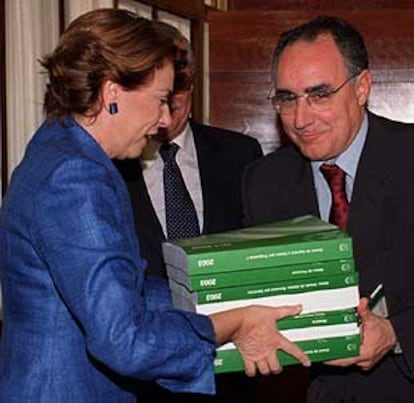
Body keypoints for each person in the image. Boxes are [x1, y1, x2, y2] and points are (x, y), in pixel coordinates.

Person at [0, 9, 310, 402]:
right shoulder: (75, 177)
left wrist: (223, 300)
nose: (165, 119)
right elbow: (125, 341)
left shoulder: (60, 146)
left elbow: (124, 288)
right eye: (160, 99)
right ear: (112, 92)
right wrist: (230, 324)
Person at [242, 15, 414, 402]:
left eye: (319, 95)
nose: (301, 119)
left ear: (362, 88)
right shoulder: (263, 181)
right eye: (288, 98)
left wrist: (395, 333)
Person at [115, 22, 264, 403]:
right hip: (142, 380)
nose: (171, 102)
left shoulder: (241, 155)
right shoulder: (109, 165)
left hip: (229, 373)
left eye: (179, 84)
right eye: (161, 88)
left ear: (193, 84)